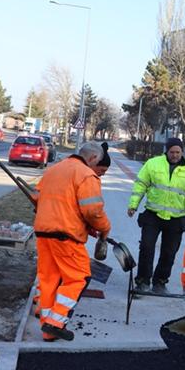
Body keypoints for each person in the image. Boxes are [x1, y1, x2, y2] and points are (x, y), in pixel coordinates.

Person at [34, 140, 111, 341]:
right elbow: (93, 211)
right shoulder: (85, 175)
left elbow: (37, 198)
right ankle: (56, 322)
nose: (97, 168)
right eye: (97, 163)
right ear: (93, 158)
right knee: (79, 278)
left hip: (43, 233)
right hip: (66, 236)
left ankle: (47, 328)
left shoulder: (54, 170)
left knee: (49, 279)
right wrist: (104, 228)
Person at [127, 137, 185, 294]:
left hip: (176, 218)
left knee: (169, 252)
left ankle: (160, 282)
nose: (175, 155)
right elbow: (141, 184)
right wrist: (133, 205)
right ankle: (142, 282)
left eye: (178, 152)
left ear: (182, 152)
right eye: (172, 152)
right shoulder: (153, 164)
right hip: (153, 215)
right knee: (147, 248)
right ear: (166, 151)